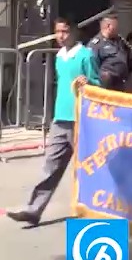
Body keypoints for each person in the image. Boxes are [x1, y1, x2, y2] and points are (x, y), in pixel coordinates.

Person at [7, 18, 101, 225]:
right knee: (50, 167)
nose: (61, 36)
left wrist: (89, 82)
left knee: (89, 167)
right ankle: (33, 210)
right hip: (60, 118)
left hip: (81, 120)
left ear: (74, 32)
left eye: (65, 31)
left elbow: (98, 83)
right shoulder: (59, 57)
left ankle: (100, 208)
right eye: (58, 32)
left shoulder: (85, 55)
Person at [88, 14, 132, 91]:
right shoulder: (96, 44)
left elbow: (128, 55)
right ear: (109, 26)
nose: (118, 28)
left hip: (121, 83)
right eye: (116, 26)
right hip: (107, 85)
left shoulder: (119, 40)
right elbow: (92, 65)